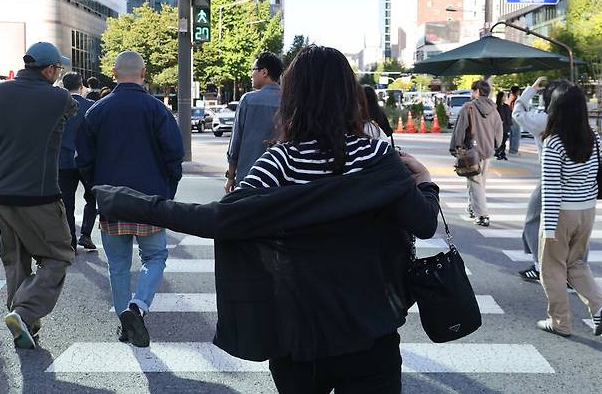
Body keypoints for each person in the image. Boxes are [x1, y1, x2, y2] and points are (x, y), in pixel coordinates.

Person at [93, 45, 440, 393]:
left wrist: (128, 201)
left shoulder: (278, 163)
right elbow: (423, 223)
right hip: (371, 332)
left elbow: (218, 217)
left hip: (297, 335)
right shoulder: (378, 156)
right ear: (350, 95)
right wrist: (425, 182)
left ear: (292, 99)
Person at [75, 51, 184, 347]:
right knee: (155, 256)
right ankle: (138, 306)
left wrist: (95, 189)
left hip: (111, 200)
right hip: (150, 200)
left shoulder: (97, 111)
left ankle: (125, 322)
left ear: (114, 72)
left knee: (118, 265)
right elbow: (174, 157)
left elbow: (83, 158)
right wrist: (167, 193)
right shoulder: (158, 110)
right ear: (144, 72)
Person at [0, 42, 76, 349]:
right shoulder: (59, 98)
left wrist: (0, 168)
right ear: (48, 69)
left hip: (1, 193)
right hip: (40, 194)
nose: (59, 75)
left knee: (15, 259)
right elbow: (72, 117)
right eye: (58, 70)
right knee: (59, 256)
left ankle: (25, 324)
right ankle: (24, 311)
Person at [537, 81, 602, 338]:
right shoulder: (595, 138)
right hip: (587, 211)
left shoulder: (554, 143)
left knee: (552, 268)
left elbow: (551, 189)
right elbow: (595, 176)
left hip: (561, 214)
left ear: (555, 108)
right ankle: (599, 306)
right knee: (575, 263)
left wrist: (548, 228)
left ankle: (560, 322)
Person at [512, 77, 556, 281]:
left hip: (550, 178)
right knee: (575, 228)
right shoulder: (578, 121)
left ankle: (539, 266)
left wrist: (531, 90)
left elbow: (518, 113)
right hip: (579, 184)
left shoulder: (545, 119)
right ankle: (575, 271)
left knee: (533, 219)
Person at [225, 52, 283, 194]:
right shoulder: (291, 100)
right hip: (280, 179)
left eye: (253, 70)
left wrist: (231, 176)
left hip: (248, 178)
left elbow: (235, 143)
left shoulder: (248, 100)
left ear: (264, 72)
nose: (251, 74)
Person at [449, 80, 502, 227]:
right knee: (479, 182)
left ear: (477, 91)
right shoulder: (494, 110)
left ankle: (482, 215)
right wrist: (496, 145)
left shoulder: (469, 108)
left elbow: (459, 129)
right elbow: (499, 132)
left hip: (471, 151)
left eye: (473, 91)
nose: (472, 94)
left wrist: (455, 147)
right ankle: (473, 207)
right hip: (488, 151)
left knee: (475, 182)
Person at [59, 72, 98, 252]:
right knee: (91, 198)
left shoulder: (58, 107)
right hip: (86, 160)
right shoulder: (91, 106)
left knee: (67, 202)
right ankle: (86, 234)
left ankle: (70, 240)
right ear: (81, 86)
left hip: (63, 161)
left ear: (63, 86)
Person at [494, 91, 512, 160]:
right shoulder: (496, 107)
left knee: (504, 141)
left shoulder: (506, 106)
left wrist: (509, 124)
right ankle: (498, 152)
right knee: (499, 140)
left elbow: (509, 116)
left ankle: (502, 153)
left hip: (506, 126)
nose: (505, 98)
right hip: (498, 126)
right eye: (504, 96)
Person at [507, 86, 521, 155]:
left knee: (512, 134)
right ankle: (514, 150)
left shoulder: (510, 98)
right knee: (516, 134)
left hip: (510, 117)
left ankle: (512, 149)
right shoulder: (515, 99)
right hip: (514, 117)